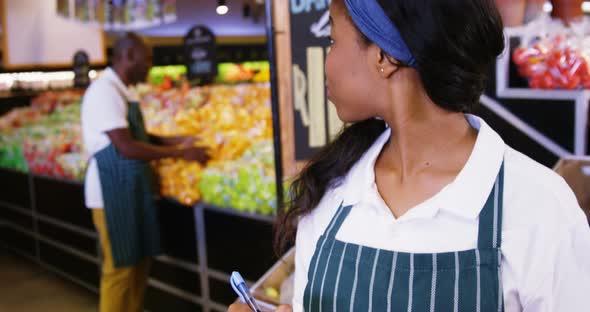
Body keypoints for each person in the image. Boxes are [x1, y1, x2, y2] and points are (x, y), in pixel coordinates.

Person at [230, 0, 590, 311]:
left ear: (385, 56)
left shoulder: (538, 206)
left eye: (333, 41)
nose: (327, 62)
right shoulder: (334, 191)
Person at [82, 32, 209, 312]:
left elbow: (136, 135)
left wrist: (173, 139)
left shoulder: (122, 90)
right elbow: (126, 146)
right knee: (120, 269)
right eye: (147, 59)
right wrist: (180, 153)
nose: (150, 65)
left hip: (130, 189)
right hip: (111, 192)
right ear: (128, 56)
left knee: (139, 264)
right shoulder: (104, 91)